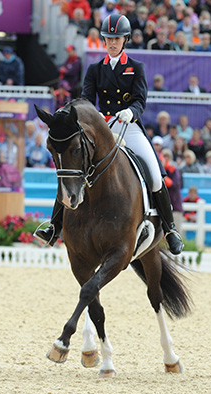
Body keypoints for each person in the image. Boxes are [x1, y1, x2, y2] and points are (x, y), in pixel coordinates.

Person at [36, 14, 184, 255]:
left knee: (155, 175)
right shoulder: (95, 69)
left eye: (116, 39)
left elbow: (140, 100)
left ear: (125, 40)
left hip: (129, 125)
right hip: (102, 128)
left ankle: (170, 229)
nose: (112, 43)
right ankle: (54, 226)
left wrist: (130, 111)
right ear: (104, 41)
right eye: (108, 39)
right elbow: (86, 99)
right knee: (73, 167)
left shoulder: (136, 68)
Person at [161, 148, 185, 234]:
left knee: (176, 232)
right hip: (163, 207)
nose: (165, 158)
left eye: (167, 156)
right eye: (164, 156)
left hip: (174, 206)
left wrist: (162, 177)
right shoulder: (159, 171)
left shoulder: (173, 170)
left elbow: (174, 185)